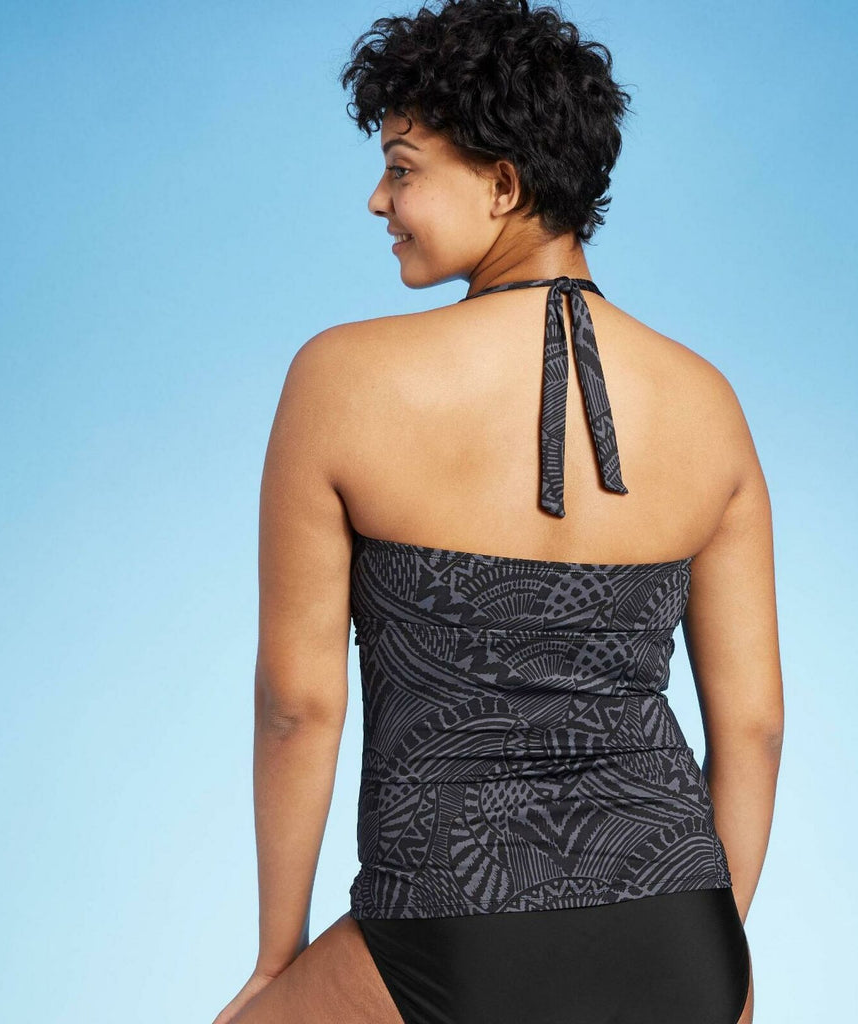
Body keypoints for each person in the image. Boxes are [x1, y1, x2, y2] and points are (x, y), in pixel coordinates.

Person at [213, 1, 783, 1021]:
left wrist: (274, 961)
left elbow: (297, 707)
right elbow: (754, 728)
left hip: (445, 933)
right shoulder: (709, 402)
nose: (378, 200)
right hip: (685, 939)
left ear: (504, 185)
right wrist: (697, 946)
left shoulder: (341, 379)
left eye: (401, 168)